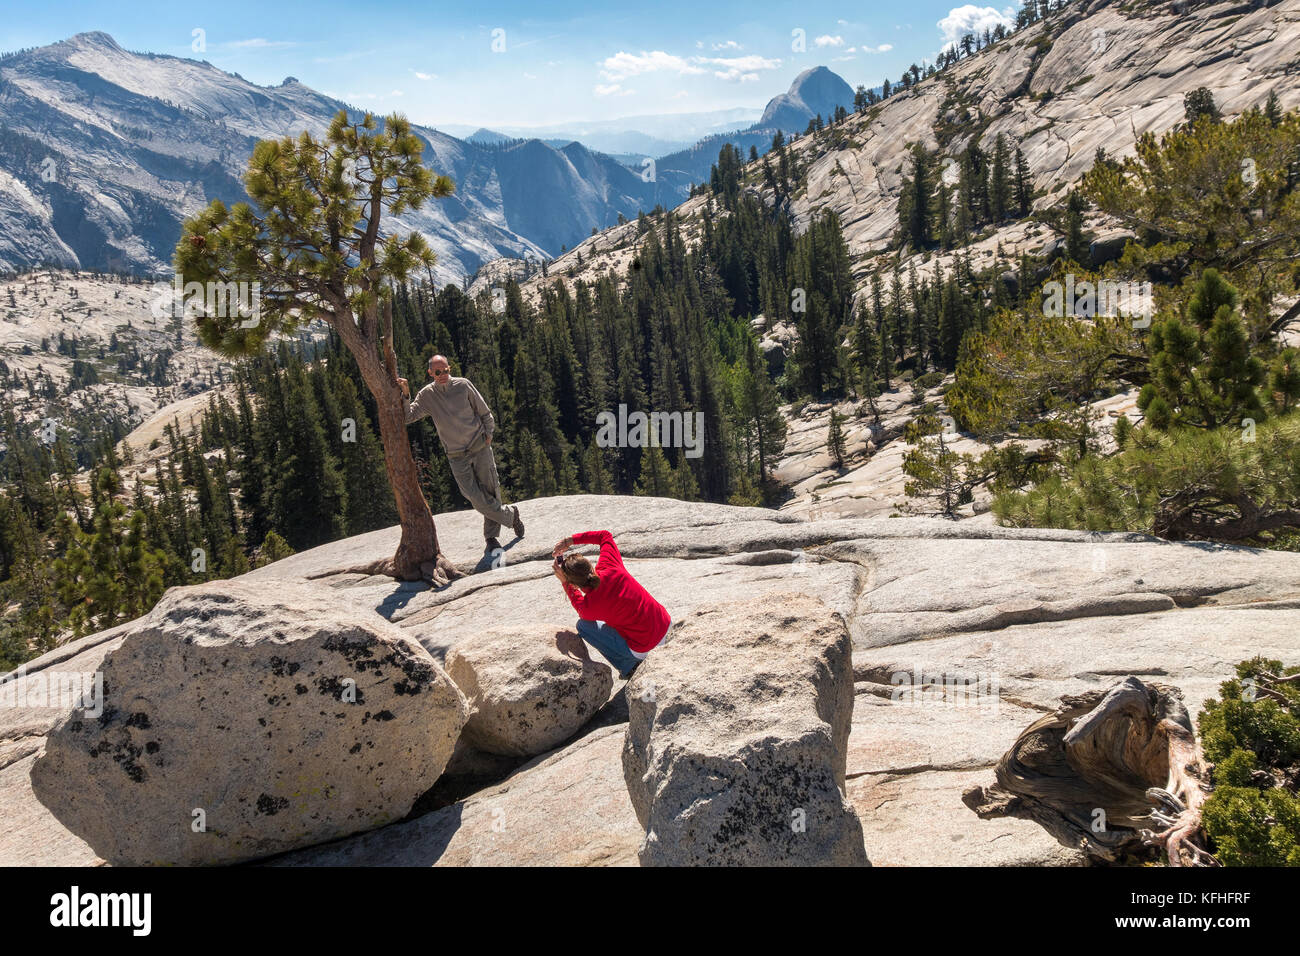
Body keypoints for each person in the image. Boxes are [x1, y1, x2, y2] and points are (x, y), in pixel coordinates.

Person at [399, 354, 523, 551]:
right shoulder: (427, 395)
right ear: (430, 373)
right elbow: (408, 416)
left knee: (490, 489)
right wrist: (405, 394)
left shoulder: (463, 385)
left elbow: (484, 412)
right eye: (438, 372)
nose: (443, 375)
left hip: (479, 446)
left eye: (446, 370)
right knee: (473, 495)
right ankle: (510, 515)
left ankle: (491, 538)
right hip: (456, 455)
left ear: (449, 368)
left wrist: (488, 435)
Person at [552, 530, 670, 680]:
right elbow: (604, 536)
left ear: (574, 584)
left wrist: (565, 583)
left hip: (646, 648)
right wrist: (569, 540)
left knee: (583, 626)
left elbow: (579, 606)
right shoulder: (610, 565)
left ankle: (628, 667)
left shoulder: (589, 606)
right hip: (666, 626)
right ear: (589, 564)